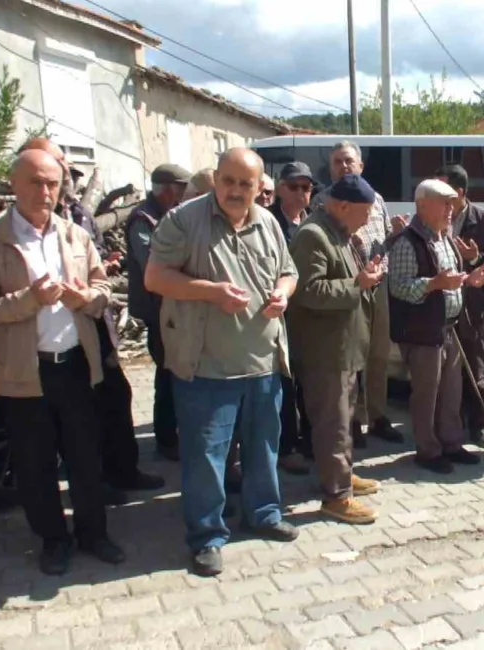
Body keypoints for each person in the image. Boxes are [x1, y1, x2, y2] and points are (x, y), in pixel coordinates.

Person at [0, 150, 123, 576]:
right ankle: (54, 540)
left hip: (75, 366)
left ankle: (94, 533)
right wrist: (29, 299)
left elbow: (102, 286)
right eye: (35, 182)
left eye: (52, 183)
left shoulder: (75, 235)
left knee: (86, 457)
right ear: (14, 185)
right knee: (34, 465)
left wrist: (87, 298)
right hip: (24, 372)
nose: (45, 191)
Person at [145, 148, 299, 577]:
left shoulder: (267, 222)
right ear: (215, 178)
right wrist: (211, 292)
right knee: (206, 457)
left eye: (245, 184)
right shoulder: (183, 220)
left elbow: (289, 272)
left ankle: (263, 513)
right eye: (228, 180)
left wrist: (283, 293)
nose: (235, 190)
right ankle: (206, 536)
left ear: (258, 187)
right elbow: (155, 277)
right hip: (206, 368)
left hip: (263, 363)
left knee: (263, 447)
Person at [20, 138, 162, 497]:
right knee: (80, 416)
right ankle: (94, 483)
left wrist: (102, 267)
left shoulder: (78, 214)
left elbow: (94, 255)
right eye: (56, 163)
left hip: (95, 321)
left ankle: (124, 471)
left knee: (116, 396)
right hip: (54, 336)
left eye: (63, 166)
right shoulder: (21, 224)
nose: (64, 171)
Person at [288, 175, 384, 524]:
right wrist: (358, 283)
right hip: (325, 353)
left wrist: (364, 277)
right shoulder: (313, 235)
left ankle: (341, 475)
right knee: (333, 425)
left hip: (343, 349)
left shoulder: (338, 231)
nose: (368, 219)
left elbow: (344, 281)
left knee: (343, 421)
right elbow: (308, 291)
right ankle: (336, 497)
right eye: (365, 212)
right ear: (343, 206)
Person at [388, 179, 484, 474]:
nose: (451, 209)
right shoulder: (408, 242)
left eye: (452, 203)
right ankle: (428, 450)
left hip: (449, 328)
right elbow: (399, 287)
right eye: (444, 203)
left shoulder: (445, 237)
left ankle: (451, 443)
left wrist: (468, 280)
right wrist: (434, 283)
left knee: (451, 392)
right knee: (427, 395)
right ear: (422, 206)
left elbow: (450, 279)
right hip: (422, 332)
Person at [313, 141, 403, 448]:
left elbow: (383, 240)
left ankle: (378, 416)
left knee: (378, 354)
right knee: (350, 356)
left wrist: (394, 235)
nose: (343, 166)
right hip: (347, 287)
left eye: (348, 161)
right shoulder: (323, 201)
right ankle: (350, 420)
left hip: (378, 286)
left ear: (361, 166)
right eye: (337, 162)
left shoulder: (376, 199)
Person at [435, 164, 484, 446]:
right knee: (444, 373)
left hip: (475, 309)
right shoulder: (434, 218)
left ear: (460, 192)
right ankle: (447, 427)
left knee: (476, 371)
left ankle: (480, 425)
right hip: (442, 307)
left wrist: (476, 259)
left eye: (443, 189)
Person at [126, 164, 192, 462]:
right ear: (167, 190)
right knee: (166, 375)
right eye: (181, 189)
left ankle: (175, 434)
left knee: (174, 373)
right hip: (157, 311)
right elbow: (151, 263)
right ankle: (166, 440)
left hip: (172, 308)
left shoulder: (166, 215)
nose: (183, 196)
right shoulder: (142, 219)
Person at [270, 161, 317, 475]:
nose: (301, 192)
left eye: (306, 187)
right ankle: (286, 446)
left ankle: (310, 441)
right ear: (280, 188)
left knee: (309, 382)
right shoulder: (268, 221)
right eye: (294, 186)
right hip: (279, 314)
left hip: (310, 316)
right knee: (285, 384)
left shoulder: (313, 221)